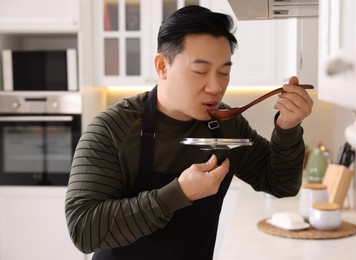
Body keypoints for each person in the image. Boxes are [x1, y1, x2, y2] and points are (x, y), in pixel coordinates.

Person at [65, 5, 313, 260]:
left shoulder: (227, 126)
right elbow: (83, 230)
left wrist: (288, 127)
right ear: (162, 66)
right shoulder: (111, 129)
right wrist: (178, 193)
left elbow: (281, 183)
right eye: (200, 71)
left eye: (224, 72)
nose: (216, 87)